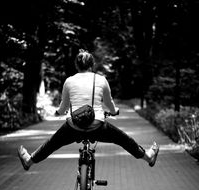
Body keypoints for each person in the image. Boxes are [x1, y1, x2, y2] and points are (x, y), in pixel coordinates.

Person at [18, 49, 159, 171]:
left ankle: (28, 161)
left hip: (74, 126)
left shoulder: (69, 81)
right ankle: (148, 157)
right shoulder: (101, 80)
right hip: (97, 125)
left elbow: (64, 105)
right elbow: (109, 103)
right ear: (92, 65)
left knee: (52, 144)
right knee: (124, 139)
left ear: (76, 65)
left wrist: (58, 112)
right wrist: (115, 111)